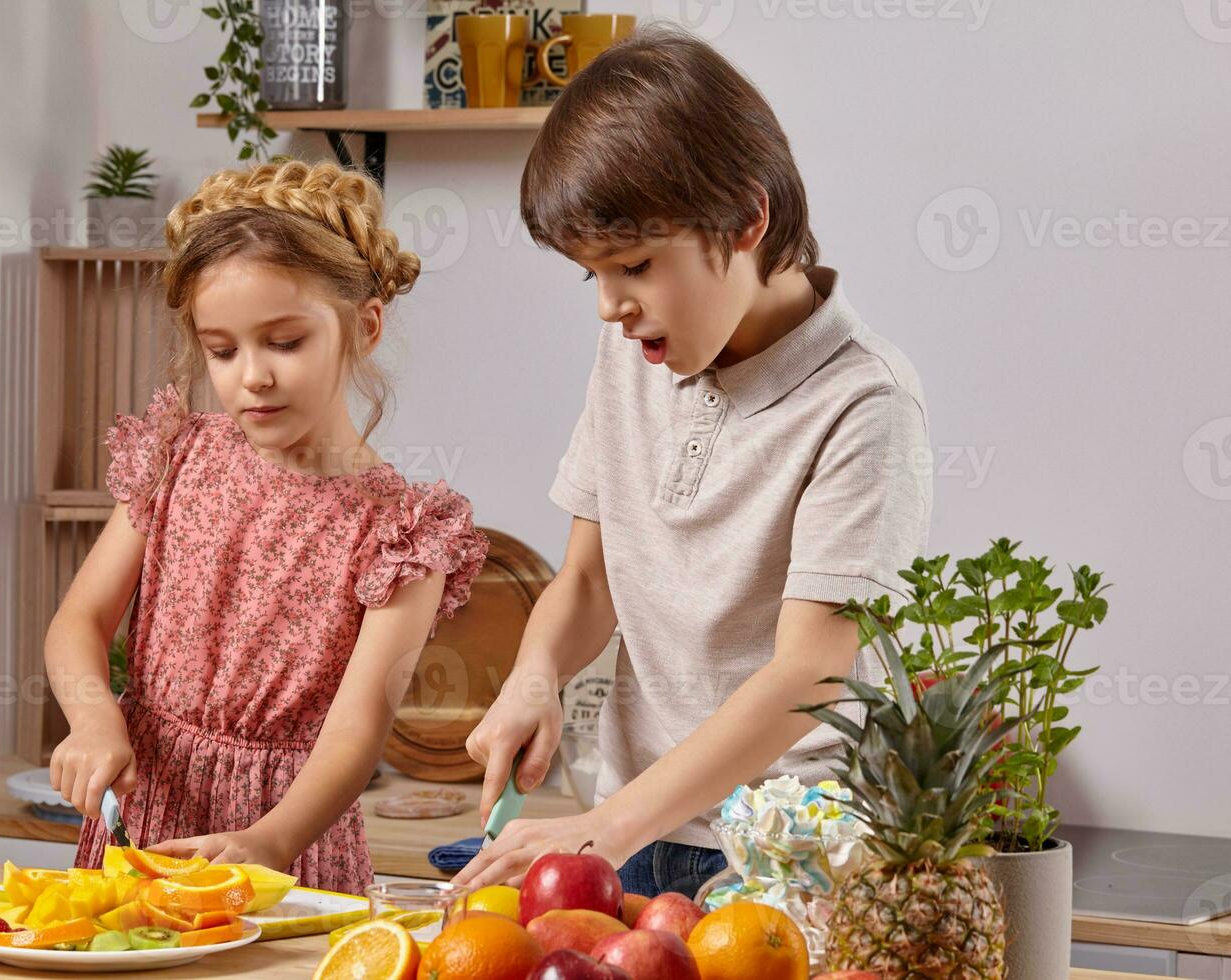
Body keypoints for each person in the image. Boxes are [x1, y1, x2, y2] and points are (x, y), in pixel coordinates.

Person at [453, 25, 931, 898]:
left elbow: (808, 673)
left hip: (789, 857)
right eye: (590, 275)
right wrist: (535, 676)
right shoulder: (636, 355)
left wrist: (605, 825)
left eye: (633, 265)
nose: (609, 307)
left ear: (747, 217)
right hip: (632, 831)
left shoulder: (864, 404)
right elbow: (589, 584)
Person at [45, 160, 489, 895]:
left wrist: (270, 839)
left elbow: (357, 733)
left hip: (286, 844)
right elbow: (79, 620)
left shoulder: (403, 534)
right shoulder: (178, 458)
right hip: (148, 815)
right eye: (222, 351)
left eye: (284, 342)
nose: (252, 374)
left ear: (364, 327)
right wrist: (93, 719)